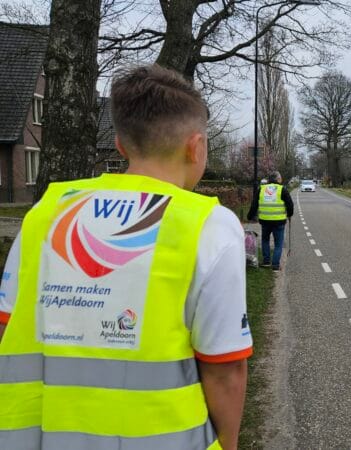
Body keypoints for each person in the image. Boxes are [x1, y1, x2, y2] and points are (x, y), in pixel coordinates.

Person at [0, 65, 251, 449]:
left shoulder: (47, 213)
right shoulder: (209, 226)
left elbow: (8, 327)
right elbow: (225, 368)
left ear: (119, 145)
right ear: (196, 146)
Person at [248, 171, 294, 270]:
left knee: (265, 240)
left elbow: (254, 204)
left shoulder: (262, 189)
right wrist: (289, 214)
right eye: (280, 178)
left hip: (265, 220)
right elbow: (290, 204)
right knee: (278, 243)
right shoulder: (282, 189)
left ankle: (266, 261)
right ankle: (275, 265)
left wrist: (250, 216)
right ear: (278, 179)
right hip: (279, 221)